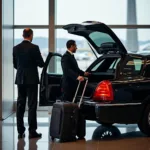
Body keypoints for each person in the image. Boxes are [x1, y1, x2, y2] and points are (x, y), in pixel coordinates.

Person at [13, 28, 44, 139]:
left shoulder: (16, 48)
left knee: (20, 105)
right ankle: (32, 131)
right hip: (32, 80)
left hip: (20, 79)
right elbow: (41, 64)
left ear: (23, 35)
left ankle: (20, 131)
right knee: (32, 105)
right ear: (31, 35)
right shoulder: (34, 48)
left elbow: (15, 65)